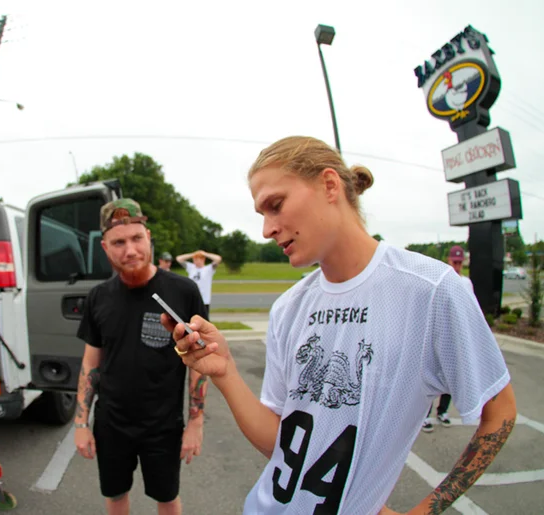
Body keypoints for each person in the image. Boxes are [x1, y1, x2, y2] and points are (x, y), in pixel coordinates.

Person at [164, 136, 516, 515]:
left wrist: (424, 511)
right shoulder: (289, 308)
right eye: (261, 214)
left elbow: (500, 411)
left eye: (276, 206)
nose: (266, 229)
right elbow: (282, 445)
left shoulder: (428, 290)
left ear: (329, 185)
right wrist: (226, 371)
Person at [74, 198, 208, 515]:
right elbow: (91, 363)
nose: (130, 250)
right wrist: (81, 421)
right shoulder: (98, 297)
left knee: (167, 498)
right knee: (116, 495)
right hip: (112, 423)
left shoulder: (183, 291)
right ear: (106, 247)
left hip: (163, 425)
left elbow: (199, 362)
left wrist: (196, 422)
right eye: (119, 242)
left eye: (137, 238)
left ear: (148, 237)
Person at [422, 245, 475, 433]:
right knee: (432, 375)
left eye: (460, 263)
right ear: (449, 261)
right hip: (440, 333)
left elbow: (470, 307)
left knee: (450, 376)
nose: (457, 266)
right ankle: (425, 414)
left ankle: (442, 411)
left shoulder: (466, 283)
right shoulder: (441, 280)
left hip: (456, 336)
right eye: (455, 262)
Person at [175, 249, 222, 316]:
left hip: (204, 300)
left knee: (204, 320)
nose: (195, 261)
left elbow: (218, 259)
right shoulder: (191, 267)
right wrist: (193, 254)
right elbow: (179, 259)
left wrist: (204, 254)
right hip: (192, 299)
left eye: (197, 259)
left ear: (203, 259)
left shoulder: (208, 269)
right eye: (194, 259)